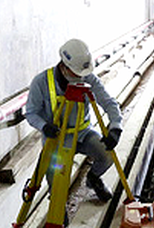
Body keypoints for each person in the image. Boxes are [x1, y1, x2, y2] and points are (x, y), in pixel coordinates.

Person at [25, 39, 123, 204]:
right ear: (64, 67)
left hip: (83, 134)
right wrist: (44, 126)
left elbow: (108, 102)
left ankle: (93, 179)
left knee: (107, 156)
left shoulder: (88, 77)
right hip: (56, 141)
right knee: (56, 186)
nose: (81, 78)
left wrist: (115, 126)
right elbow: (31, 113)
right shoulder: (40, 82)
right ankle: (59, 217)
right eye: (77, 74)